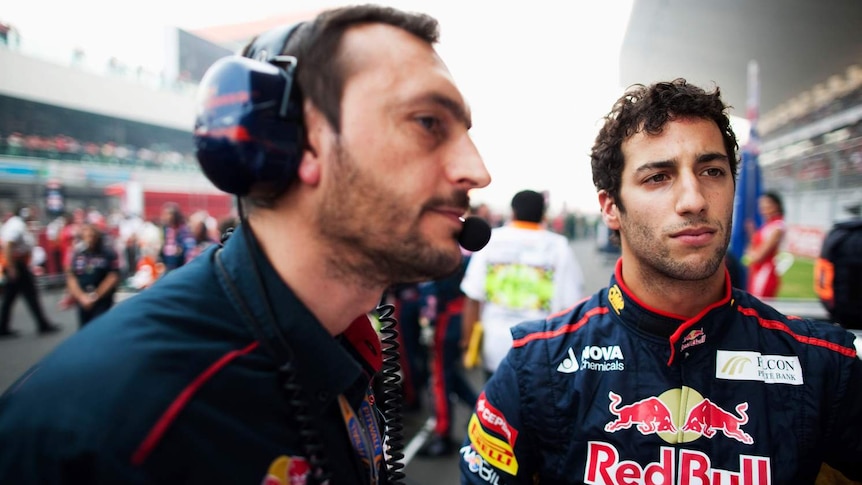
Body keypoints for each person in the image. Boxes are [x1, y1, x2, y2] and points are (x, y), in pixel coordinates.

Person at [0, 5, 490, 484]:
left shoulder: (344, 334)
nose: (478, 171)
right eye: (429, 123)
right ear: (301, 140)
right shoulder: (105, 426)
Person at [459, 79, 862, 484]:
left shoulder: (823, 366)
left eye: (712, 171)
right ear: (611, 208)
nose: (694, 199)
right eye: (658, 177)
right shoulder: (537, 366)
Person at [459, 189, 585, 379]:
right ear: (543, 214)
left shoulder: (491, 240)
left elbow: (472, 297)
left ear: (513, 212)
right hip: (540, 351)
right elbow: (572, 305)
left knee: (493, 404)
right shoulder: (559, 246)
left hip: (494, 349)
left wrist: (467, 344)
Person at [417, 246, 480, 458]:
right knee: (449, 374)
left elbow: (430, 292)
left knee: (440, 378)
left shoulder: (439, 249)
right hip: (461, 313)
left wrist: (428, 321)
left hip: (447, 318)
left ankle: (442, 435)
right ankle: (479, 409)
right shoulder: (468, 250)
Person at [0, 204, 59, 337]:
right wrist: (12, 268)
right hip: (17, 265)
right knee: (28, 296)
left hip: (19, 264)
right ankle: (42, 324)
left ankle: (4, 326)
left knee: (12, 298)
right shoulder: (16, 225)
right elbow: (9, 246)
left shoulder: (17, 224)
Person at [64, 222, 120, 328]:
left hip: (102, 299)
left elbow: (113, 276)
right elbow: (71, 277)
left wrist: (96, 296)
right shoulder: (77, 253)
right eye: (86, 232)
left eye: (92, 233)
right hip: (82, 299)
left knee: (100, 328)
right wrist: (81, 297)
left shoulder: (108, 253)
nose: (90, 236)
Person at [744, 191, 786, 299]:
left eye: (766, 204)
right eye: (761, 204)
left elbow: (759, 256)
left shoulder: (777, 227)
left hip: (765, 273)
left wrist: (750, 254)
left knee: (759, 307)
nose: (762, 208)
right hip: (757, 271)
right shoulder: (767, 225)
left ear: (775, 205)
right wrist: (752, 232)